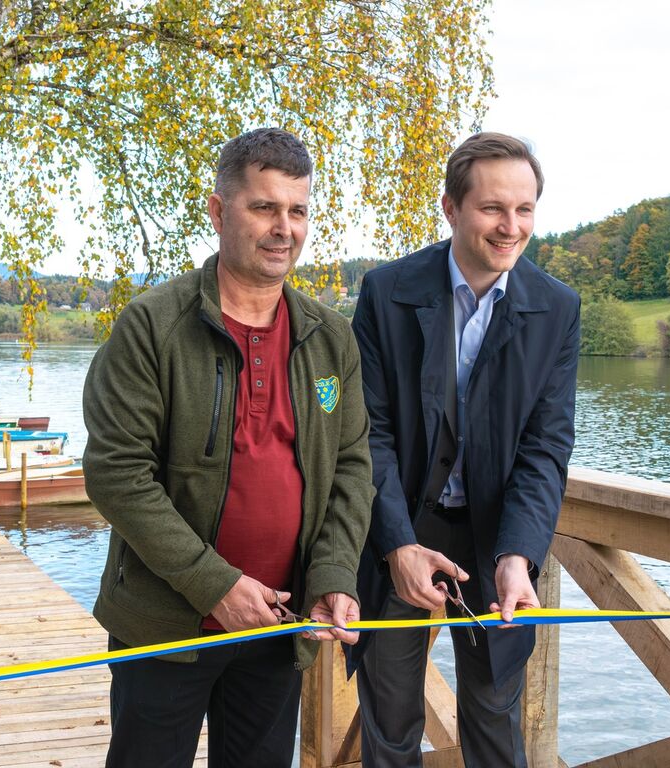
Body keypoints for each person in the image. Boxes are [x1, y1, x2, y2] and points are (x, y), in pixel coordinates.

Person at [82, 127, 374, 768]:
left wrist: (331, 575)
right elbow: (116, 473)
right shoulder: (151, 327)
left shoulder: (332, 338)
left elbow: (352, 468)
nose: (284, 229)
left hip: (279, 624)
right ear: (218, 211)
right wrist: (215, 586)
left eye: (297, 211)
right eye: (264, 207)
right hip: (164, 628)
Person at [348, 132, 580, 767]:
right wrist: (396, 545)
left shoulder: (558, 308)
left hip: (495, 538)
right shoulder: (386, 292)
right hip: (398, 529)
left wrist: (519, 556)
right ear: (451, 208)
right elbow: (369, 435)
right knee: (389, 722)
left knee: (496, 718)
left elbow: (545, 448)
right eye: (493, 208)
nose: (511, 227)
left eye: (525, 209)